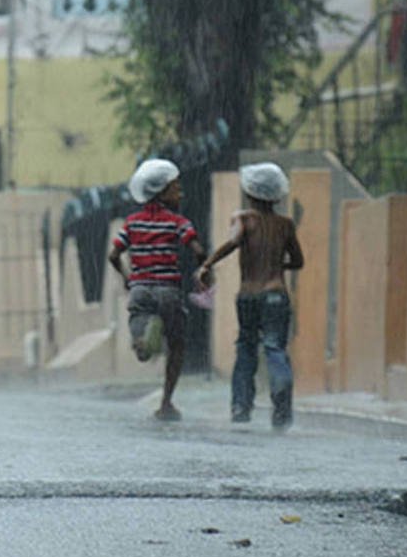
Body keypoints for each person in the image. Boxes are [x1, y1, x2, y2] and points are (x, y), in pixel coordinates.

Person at [196, 162, 304, 430]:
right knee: (275, 348)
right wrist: (278, 266)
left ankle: (241, 406)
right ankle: (281, 397)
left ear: (250, 193)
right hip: (277, 294)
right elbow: (298, 261)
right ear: (277, 195)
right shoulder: (286, 225)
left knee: (246, 349)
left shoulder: (243, 219)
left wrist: (207, 264)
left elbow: (233, 242)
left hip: (248, 296)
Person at [109, 159, 207, 421]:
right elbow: (198, 250)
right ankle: (166, 403)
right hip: (168, 289)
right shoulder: (178, 222)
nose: (181, 193)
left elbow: (113, 255)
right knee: (176, 345)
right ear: (161, 191)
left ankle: (142, 342)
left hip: (140, 288)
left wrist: (127, 278)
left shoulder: (131, 223)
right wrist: (203, 270)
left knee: (139, 328)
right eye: (176, 188)